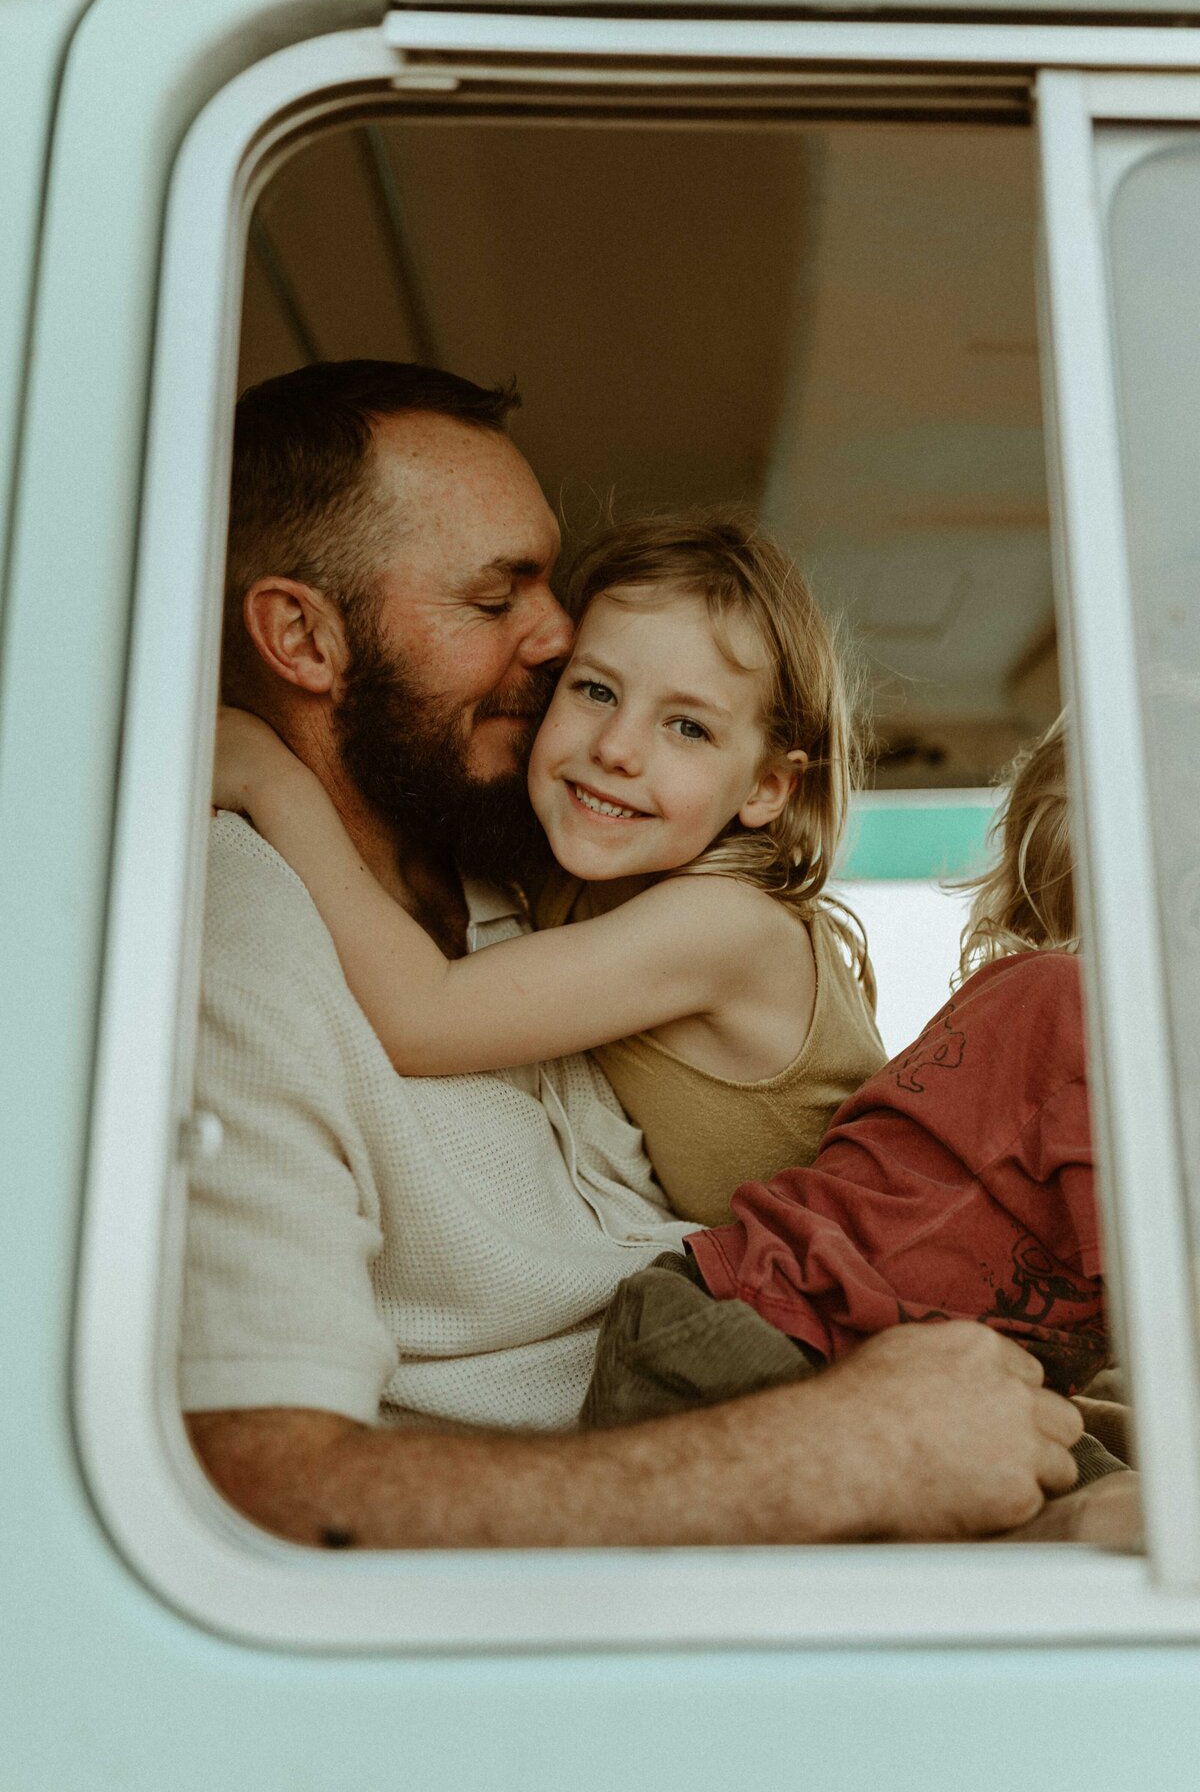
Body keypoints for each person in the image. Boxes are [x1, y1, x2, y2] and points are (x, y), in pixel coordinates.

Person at [183, 358, 1087, 1550]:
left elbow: (444, 1010)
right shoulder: (240, 950)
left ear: (769, 787)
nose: (556, 638)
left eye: (686, 725)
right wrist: (836, 1449)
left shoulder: (552, 886)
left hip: (850, 1346)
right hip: (770, 1390)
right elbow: (266, 1493)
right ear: (301, 635)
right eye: (499, 596)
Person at [213, 512, 887, 1227]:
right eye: (595, 690)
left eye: (688, 726)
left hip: (868, 1286)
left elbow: (420, 1017)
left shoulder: (728, 925)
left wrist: (272, 781)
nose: (618, 748)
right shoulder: (573, 877)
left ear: (767, 789)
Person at [582, 717, 1119, 1466]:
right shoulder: (1086, 1022)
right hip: (748, 1342)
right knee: (1124, 1517)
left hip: (815, 1354)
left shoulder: (1052, 1016)